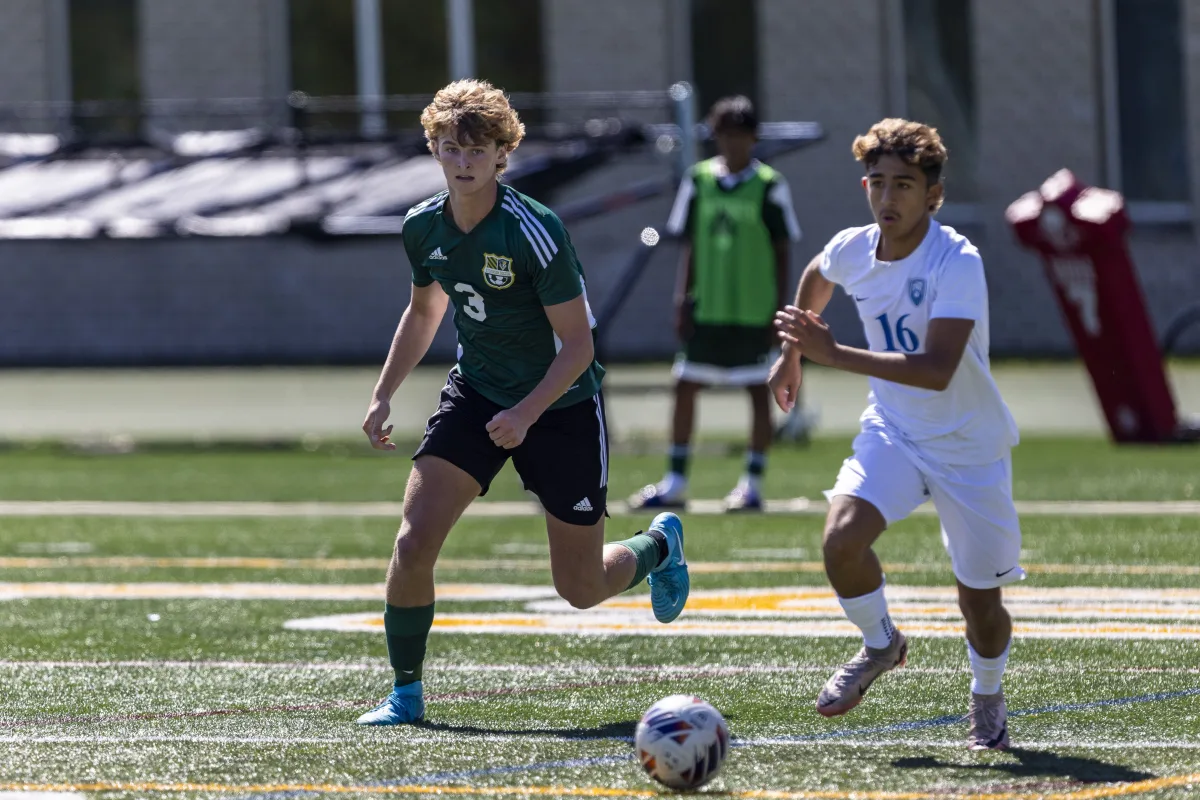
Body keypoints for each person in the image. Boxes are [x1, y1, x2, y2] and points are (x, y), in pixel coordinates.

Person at [357, 80, 690, 726]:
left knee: (581, 588)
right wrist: (383, 393)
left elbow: (577, 347)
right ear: (432, 148)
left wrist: (527, 414)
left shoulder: (533, 232)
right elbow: (424, 311)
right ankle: (405, 693)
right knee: (413, 541)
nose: (462, 161)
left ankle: (656, 548)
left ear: (504, 153)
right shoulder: (421, 226)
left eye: (477, 149)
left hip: (560, 407)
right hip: (477, 393)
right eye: (449, 147)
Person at [769, 118, 1021, 750]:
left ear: (933, 194)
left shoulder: (956, 260)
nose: (889, 198)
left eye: (905, 185)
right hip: (894, 431)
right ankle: (882, 644)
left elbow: (937, 370)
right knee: (840, 541)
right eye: (878, 183)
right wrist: (795, 351)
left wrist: (832, 353)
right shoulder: (856, 245)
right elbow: (819, 276)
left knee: (981, 607)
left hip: (968, 447)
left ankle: (987, 696)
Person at [629, 96, 802, 513]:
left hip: (753, 309)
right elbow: (689, 244)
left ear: (753, 137)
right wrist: (681, 298)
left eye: (740, 134)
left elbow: (782, 248)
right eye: (724, 133)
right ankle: (674, 481)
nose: (732, 142)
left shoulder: (770, 185)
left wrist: (778, 309)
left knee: (758, 390)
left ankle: (752, 484)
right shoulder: (699, 179)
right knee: (685, 385)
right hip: (708, 307)